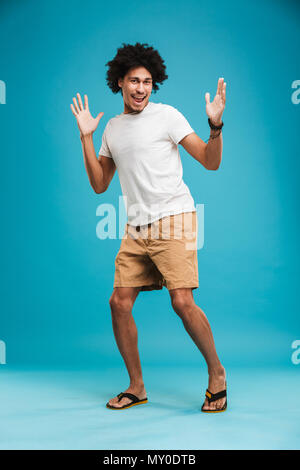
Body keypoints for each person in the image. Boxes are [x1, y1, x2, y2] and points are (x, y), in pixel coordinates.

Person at [70, 42, 227, 413]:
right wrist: (86, 137)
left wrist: (215, 126)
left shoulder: (167, 116)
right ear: (120, 83)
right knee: (118, 303)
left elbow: (209, 161)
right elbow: (98, 184)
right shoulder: (112, 128)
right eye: (134, 81)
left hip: (174, 217)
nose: (141, 88)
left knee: (182, 301)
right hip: (136, 226)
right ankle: (136, 387)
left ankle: (217, 374)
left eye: (147, 81)